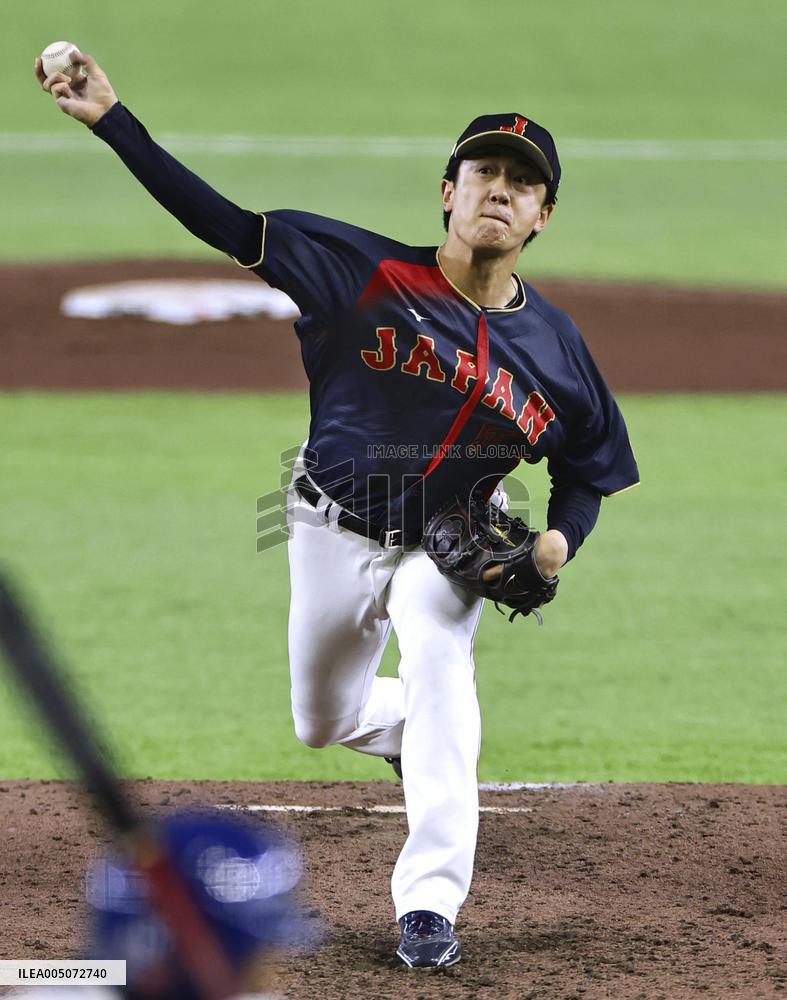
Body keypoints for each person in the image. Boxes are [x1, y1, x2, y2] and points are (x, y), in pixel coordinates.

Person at [35, 53, 639, 969]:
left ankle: (428, 905)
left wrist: (558, 539)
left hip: (444, 548)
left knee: (440, 659)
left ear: (542, 214)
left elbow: (589, 467)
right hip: (325, 524)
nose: (501, 192)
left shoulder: (557, 349)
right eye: (484, 173)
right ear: (448, 190)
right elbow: (224, 222)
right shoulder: (362, 270)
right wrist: (113, 119)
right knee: (323, 719)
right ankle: (415, 740)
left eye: (523, 184)